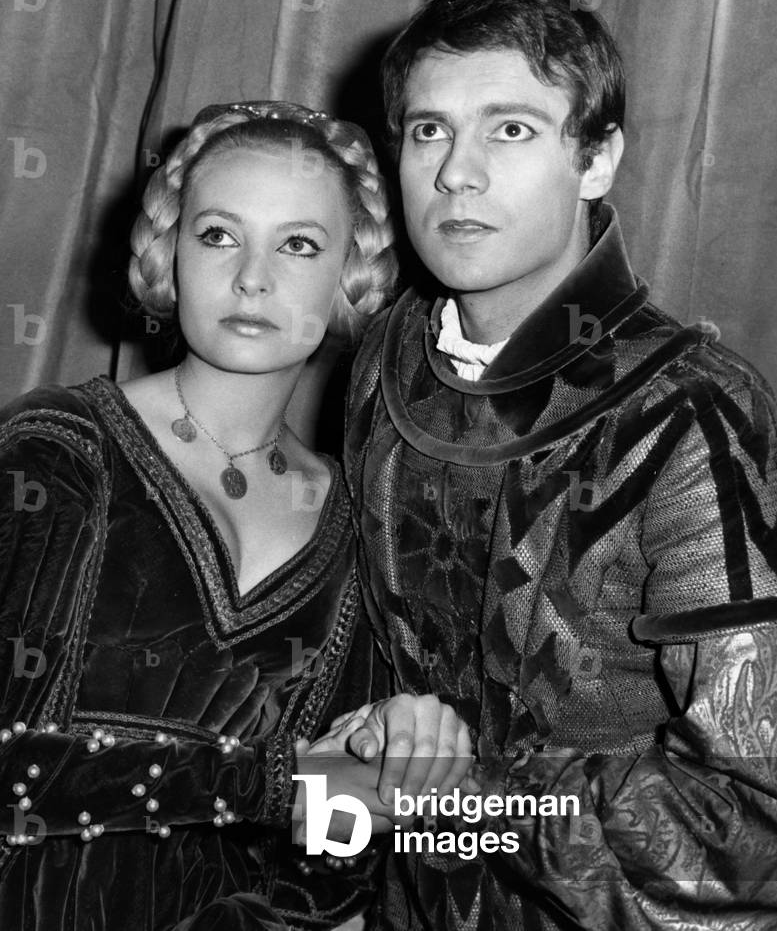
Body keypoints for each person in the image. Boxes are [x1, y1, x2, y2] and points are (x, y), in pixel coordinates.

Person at [344, 0, 777, 930]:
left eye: (509, 129)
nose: (456, 173)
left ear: (597, 159)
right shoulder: (388, 355)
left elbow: (756, 828)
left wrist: (458, 804)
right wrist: (347, 769)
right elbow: (369, 677)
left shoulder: (693, 408)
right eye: (428, 130)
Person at [0, 100, 471, 931]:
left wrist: (392, 752)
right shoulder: (60, 450)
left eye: (299, 244)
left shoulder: (359, 526)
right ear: (169, 253)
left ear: (351, 275)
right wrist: (274, 782)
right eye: (219, 234)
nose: (253, 277)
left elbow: (330, 865)